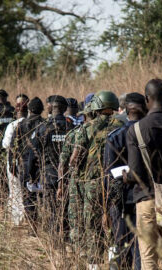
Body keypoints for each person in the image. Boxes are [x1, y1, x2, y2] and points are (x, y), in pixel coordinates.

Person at [125, 79, 162, 269]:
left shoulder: (136, 129)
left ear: (146, 99)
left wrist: (125, 176)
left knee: (149, 259)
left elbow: (136, 174)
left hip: (147, 201)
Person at [69, 90, 124, 269]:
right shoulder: (122, 126)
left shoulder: (87, 127)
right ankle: (113, 259)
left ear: (96, 107)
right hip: (117, 181)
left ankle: (94, 264)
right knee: (114, 222)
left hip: (92, 184)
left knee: (92, 226)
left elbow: (75, 159)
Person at [104, 92, 147, 270]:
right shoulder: (151, 133)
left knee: (120, 244)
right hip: (148, 198)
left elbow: (109, 175)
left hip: (121, 200)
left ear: (126, 111)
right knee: (143, 248)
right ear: (144, 108)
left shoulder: (115, 136)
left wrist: (108, 205)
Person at [28, 95, 74, 234]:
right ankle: (65, 239)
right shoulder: (71, 127)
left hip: (48, 175)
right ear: (65, 109)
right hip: (67, 176)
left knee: (51, 210)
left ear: (51, 108)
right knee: (66, 210)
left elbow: (32, 153)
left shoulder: (42, 128)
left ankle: (54, 242)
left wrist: (31, 175)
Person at [58, 94, 95, 250]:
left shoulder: (75, 133)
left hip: (78, 184)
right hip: (101, 183)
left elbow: (64, 163)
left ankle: (80, 253)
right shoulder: (113, 130)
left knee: (77, 219)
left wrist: (61, 185)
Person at [12, 97, 45, 232]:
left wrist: (11, 165)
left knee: (28, 196)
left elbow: (13, 147)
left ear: (29, 110)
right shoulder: (45, 124)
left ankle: (33, 226)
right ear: (42, 110)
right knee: (43, 196)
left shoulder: (20, 126)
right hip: (41, 165)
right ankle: (44, 223)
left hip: (24, 165)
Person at [2, 96, 29, 225]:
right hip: (29, 163)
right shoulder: (34, 123)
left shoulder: (12, 126)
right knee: (28, 191)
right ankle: (28, 217)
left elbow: (5, 144)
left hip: (14, 163)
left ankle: (17, 220)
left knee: (14, 191)